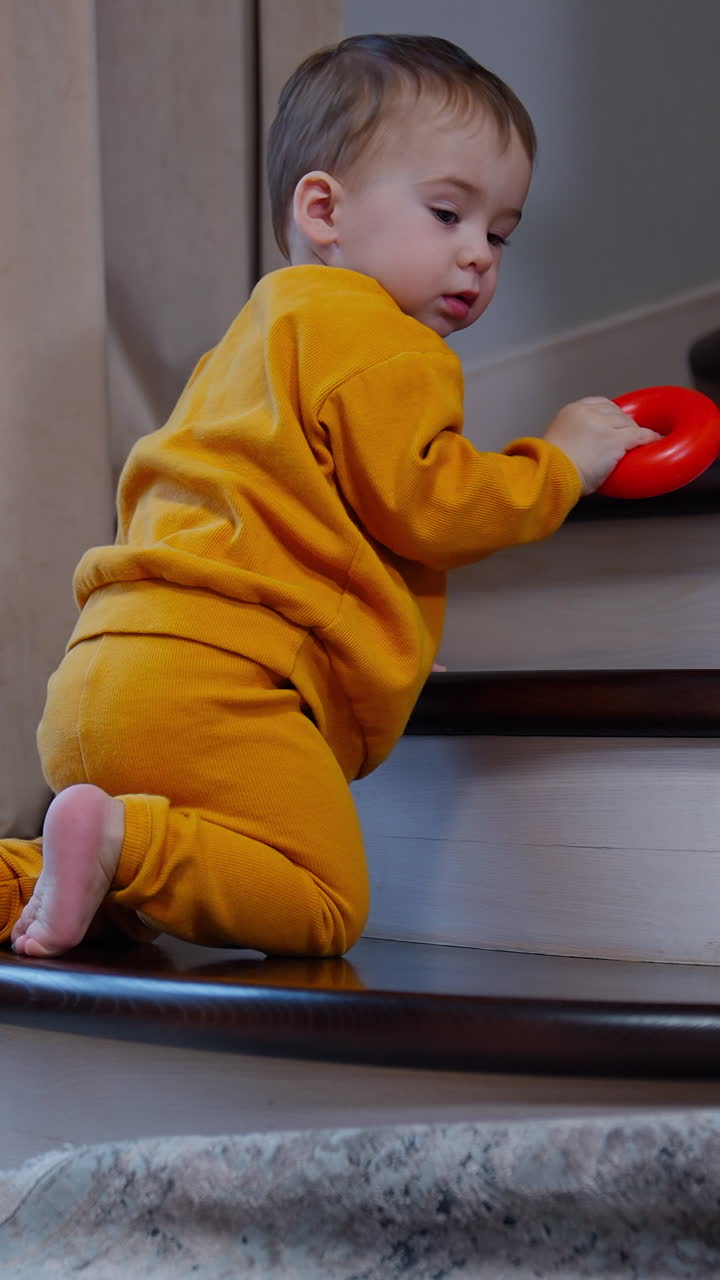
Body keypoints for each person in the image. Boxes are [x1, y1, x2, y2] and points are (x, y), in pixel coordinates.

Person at [4, 33, 658, 959]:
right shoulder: (380, 338)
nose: (478, 255)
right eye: (447, 213)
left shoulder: (249, 344)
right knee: (321, 905)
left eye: (500, 233)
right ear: (324, 209)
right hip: (220, 685)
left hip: (98, 677)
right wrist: (562, 459)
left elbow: (322, 517)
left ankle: (24, 880)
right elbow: (429, 504)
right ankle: (123, 841)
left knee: (118, 870)